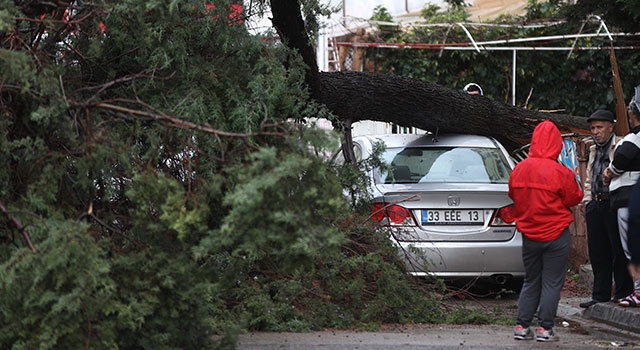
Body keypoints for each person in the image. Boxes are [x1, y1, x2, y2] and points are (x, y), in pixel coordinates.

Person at [509, 120, 583, 342]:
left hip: (529, 233)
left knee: (532, 280)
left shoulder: (519, 169)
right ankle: (545, 329)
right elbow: (575, 197)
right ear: (556, 144)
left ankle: (521, 327)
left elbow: (513, 194)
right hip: (556, 234)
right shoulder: (560, 172)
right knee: (552, 282)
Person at [579, 110, 633, 308]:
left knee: (618, 250)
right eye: (592, 128)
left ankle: (622, 293)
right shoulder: (593, 149)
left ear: (611, 127)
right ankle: (599, 295)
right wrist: (587, 201)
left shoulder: (621, 146)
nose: (595, 131)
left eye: (599, 127)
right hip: (596, 203)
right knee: (598, 251)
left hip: (614, 203)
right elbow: (589, 178)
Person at [603, 85, 640, 307]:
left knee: (631, 246)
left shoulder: (634, 138)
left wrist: (608, 173)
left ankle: (638, 292)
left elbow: (621, 159)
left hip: (628, 197)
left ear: (633, 111)